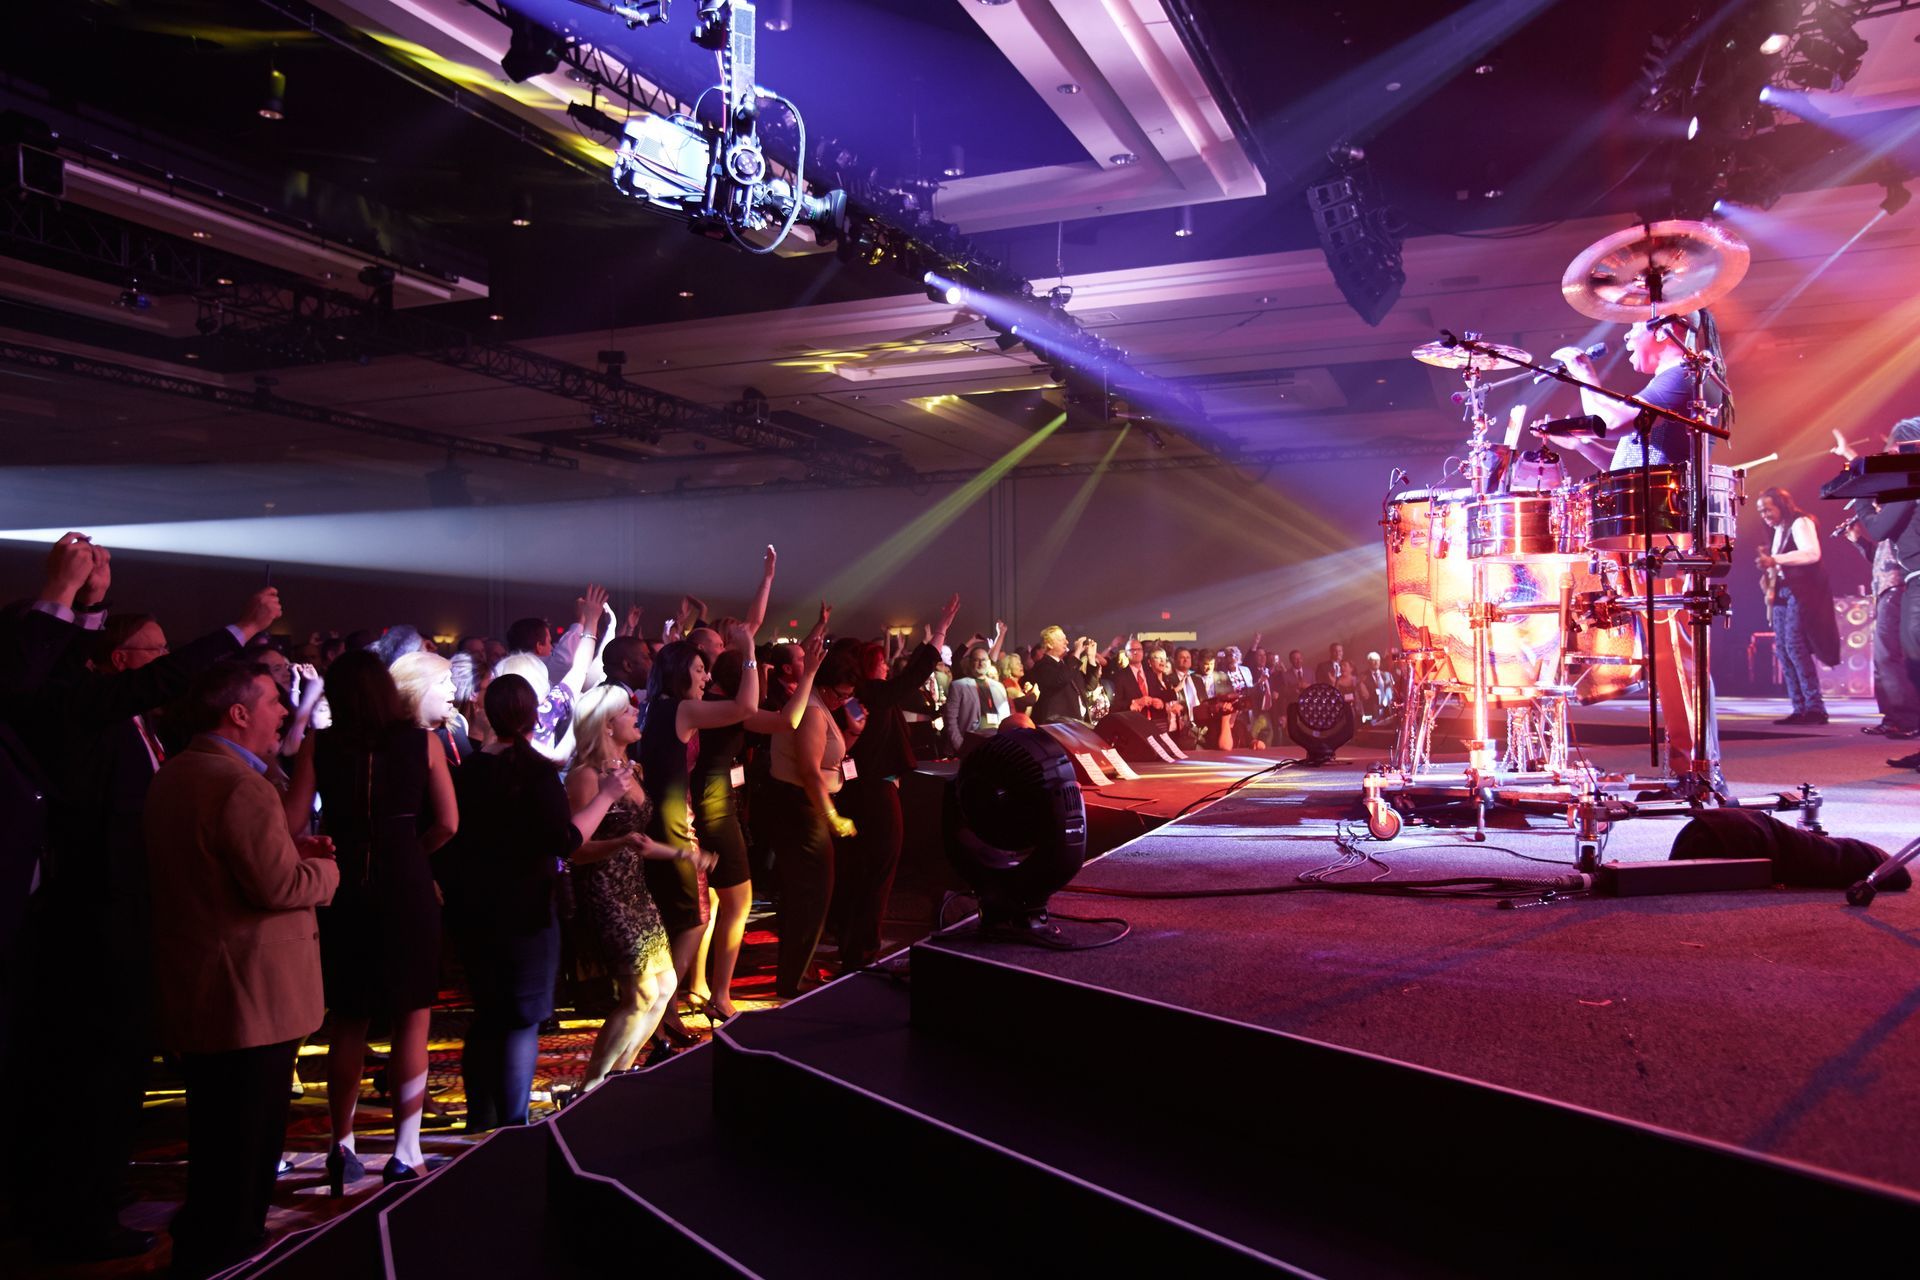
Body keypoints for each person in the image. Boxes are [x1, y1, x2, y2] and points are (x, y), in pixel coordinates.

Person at [144, 662, 339, 1279]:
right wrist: (329, 873)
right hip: (253, 993)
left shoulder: (176, 772)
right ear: (238, 713)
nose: (285, 711)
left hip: (202, 981)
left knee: (215, 1139)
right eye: (274, 702)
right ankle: (233, 1262)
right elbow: (276, 886)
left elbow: (222, 867)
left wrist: (290, 851)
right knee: (247, 1150)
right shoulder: (240, 785)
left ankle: (208, 1251)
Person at [282, 650, 458, 1191]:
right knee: (413, 1015)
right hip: (405, 880)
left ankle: (343, 1142)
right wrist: (414, 853)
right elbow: (449, 823)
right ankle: (407, 1149)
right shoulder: (421, 742)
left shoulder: (321, 744)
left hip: (345, 885)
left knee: (350, 1019)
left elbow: (291, 824)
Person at [437, 675, 629, 1130]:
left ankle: (480, 1120)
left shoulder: (466, 771)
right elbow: (563, 840)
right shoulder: (536, 772)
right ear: (532, 716)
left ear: (487, 712)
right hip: (526, 908)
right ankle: (514, 1124)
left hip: (474, 908)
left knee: (488, 1012)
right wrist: (605, 796)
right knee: (521, 1018)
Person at [1548, 316, 1721, 777]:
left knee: (1675, 650)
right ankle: (1687, 765)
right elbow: (1626, 452)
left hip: (1664, 528)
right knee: (1665, 653)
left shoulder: (1683, 375)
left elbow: (1614, 417)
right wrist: (1585, 443)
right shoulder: (1671, 382)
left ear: (1664, 331)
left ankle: (1698, 768)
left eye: (1631, 330)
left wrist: (1584, 371)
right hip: (1648, 523)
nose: (1624, 340)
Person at [565, 685, 710, 1091]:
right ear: (607, 723)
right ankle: (589, 1086)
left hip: (635, 889)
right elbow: (576, 850)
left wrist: (683, 855)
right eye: (627, 709)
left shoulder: (633, 767)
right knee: (640, 992)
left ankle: (618, 1077)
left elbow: (638, 841)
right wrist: (618, 843)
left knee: (663, 989)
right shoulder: (586, 776)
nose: (636, 713)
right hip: (604, 890)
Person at [637, 624, 762, 1037]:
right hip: (673, 826)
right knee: (692, 920)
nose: (706, 677)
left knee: (682, 920)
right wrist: (747, 651)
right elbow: (746, 706)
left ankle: (665, 1011)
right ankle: (661, 1015)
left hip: (664, 821)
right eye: (698, 669)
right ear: (677, 673)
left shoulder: (655, 707)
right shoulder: (680, 709)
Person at [690, 637, 821, 1020]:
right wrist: (810, 672)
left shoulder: (710, 705)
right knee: (739, 902)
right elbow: (788, 720)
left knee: (711, 904)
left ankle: (700, 985)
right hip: (715, 809)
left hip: (706, 805)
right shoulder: (730, 710)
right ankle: (721, 994)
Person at [833, 596, 958, 976]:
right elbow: (914, 675)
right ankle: (864, 952)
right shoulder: (870, 695)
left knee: (863, 872)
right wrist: (940, 632)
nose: (888, 666)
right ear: (870, 669)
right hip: (874, 793)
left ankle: (854, 945)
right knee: (879, 872)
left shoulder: (861, 698)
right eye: (882, 662)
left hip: (861, 791)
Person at [1833, 425, 1920, 740]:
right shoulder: (1898, 509)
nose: (1890, 458)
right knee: (1886, 657)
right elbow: (1879, 554)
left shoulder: (1903, 495)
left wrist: (1861, 489)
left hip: (1900, 586)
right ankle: (1895, 716)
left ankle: (1906, 718)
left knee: (1891, 656)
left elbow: (1882, 530)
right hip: (1888, 585)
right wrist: (1858, 540)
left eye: (1895, 452)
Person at [1755, 486, 1838, 726]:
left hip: (1801, 592)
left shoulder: (1801, 522)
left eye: (1767, 509)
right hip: (1782, 592)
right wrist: (1770, 574)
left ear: (1781, 505)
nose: (1765, 515)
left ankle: (1815, 708)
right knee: (1782, 649)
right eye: (1761, 511)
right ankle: (1799, 707)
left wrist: (1775, 560)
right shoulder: (1779, 530)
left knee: (1795, 646)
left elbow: (1812, 553)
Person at [391, 649, 472, 766]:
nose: (453, 688)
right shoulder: (395, 740)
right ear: (415, 690)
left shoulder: (459, 723)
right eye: (443, 681)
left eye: (450, 680)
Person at [1030, 627, 1101, 724]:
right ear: (1049, 644)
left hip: (1077, 722)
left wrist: (1091, 657)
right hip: (1057, 724)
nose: (1067, 642)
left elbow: (1090, 685)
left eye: (1066, 638)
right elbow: (1059, 680)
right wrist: (1077, 653)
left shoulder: (1066, 664)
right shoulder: (1042, 665)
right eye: (1061, 639)